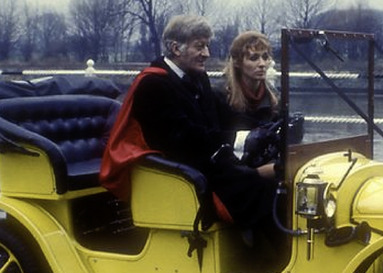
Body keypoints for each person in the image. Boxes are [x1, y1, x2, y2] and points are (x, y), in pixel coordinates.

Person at [100, 15, 276, 233]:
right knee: (263, 188)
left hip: (204, 159)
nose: (207, 54)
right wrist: (243, 138)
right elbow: (182, 139)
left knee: (276, 182)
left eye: (207, 46)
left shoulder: (197, 77)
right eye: (200, 47)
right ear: (176, 48)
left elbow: (221, 116)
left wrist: (264, 127)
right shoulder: (153, 85)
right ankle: (266, 255)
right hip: (182, 166)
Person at [216, 31, 280, 177]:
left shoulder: (274, 99)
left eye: (265, 57)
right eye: (254, 58)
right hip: (235, 171)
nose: (262, 64)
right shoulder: (221, 97)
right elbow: (217, 142)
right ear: (238, 62)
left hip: (266, 164)